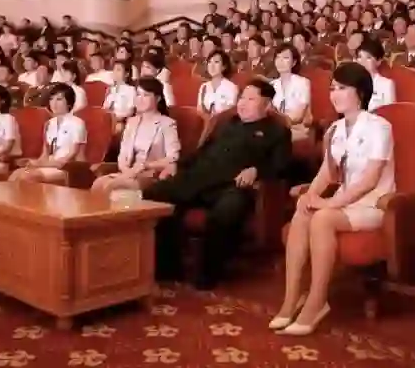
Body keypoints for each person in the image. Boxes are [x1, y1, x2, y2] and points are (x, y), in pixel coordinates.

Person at [271, 62, 395, 336]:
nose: (334, 94)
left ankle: (317, 301)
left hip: (373, 203)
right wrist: (311, 195)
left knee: (323, 217)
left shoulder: (379, 127)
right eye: (332, 88)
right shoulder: (334, 130)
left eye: (342, 88)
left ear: (360, 92)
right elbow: (327, 173)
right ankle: (291, 298)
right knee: (303, 210)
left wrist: (329, 203)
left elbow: (370, 180)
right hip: (344, 201)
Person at [142, 79, 292, 290]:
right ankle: (168, 266)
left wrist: (257, 170)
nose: (242, 103)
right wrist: (177, 165)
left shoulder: (277, 131)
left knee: (228, 210)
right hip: (198, 177)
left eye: (251, 99)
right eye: (241, 97)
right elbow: (201, 152)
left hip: (231, 186)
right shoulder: (227, 124)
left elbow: (282, 166)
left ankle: (207, 274)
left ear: (266, 105)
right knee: (153, 194)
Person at [92, 77, 180, 194]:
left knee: (112, 186)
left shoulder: (167, 124)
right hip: (129, 173)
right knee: (98, 184)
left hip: (151, 175)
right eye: (138, 94)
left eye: (146, 95)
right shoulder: (132, 122)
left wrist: (146, 166)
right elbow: (123, 154)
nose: (140, 99)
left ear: (158, 98)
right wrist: (126, 170)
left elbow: (173, 157)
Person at [9, 83, 86, 184]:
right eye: (51, 99)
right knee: (16, 174)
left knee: (28, 177)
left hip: (67, 168)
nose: (54, 103)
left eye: (59, 99)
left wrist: (41, 164)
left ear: (69, 103)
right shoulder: (49, 124)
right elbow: (44, 155)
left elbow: (70, 157)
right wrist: (32, 162)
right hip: (49, 165)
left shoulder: (77, 123)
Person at [270, 43, 311, 140]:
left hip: (296, 128)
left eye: (285, 58)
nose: (280, 61)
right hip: (275, 128)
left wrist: (277, 118)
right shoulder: (272, 84)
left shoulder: (302, 82)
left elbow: (298, 116)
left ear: (294, 62)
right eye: (278, 57)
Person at [355, 38, 396, 111]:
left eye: (368, 57)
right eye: (360, 57)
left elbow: (391, 113)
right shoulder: (351, 83)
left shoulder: (386, 84)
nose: (363, 62)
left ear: (378, 61)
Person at [197, 50, 239, 115]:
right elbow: (199, 111)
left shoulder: (231, 87)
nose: (212, 66)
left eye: (216, 62)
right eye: (209, 62)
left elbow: (230, 113)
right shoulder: (204, 87)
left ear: (224, 66)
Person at [103, 60, 136, 131]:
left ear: (126, 74)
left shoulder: (131, 90)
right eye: (114, 69)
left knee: (118, 127)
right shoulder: (111, 89)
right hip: (107, 119)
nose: (115, 72)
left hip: (121, 121)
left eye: (118, 70)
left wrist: (117, 117)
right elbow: (105, 107)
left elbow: (130, 111)